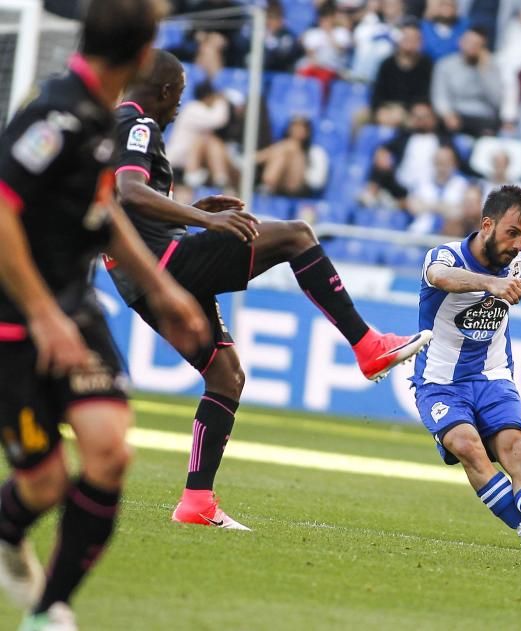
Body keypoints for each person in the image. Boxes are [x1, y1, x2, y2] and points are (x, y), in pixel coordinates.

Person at [107, 50, 432, 530]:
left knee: (225, 376)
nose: (179, 108)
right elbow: (128, 191)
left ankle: (197, 501)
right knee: (296, 234)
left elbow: (125, 203)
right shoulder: (139, 125)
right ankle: (367, 345)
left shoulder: (112, 126)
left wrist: (194, 207)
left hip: (139, 278)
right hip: (164, 265)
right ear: (167, 91)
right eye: (179, 95)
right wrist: (205, 219)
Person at [0, 1, 211, 628]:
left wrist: (164, 289)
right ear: (144, 55)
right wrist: (41, 314)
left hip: (73, 307)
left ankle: (48, 611)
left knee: (109, 452)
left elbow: (104, 211)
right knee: (40, 486)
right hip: (16, 320)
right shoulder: (54, 115)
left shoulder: (102, 118)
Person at [412, 185, 521, 553]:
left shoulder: (515, 262)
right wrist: (491, 284)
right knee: (467, 445)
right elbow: (442, 278)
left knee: (515, 448)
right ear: (486, 225)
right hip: (441, 381)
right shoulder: (443, 255)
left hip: (493, 375)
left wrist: (500, 282)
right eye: (513, 233)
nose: (519, 245)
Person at [430, 27, 503, 137]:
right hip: (455, 114)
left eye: (477, 44)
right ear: (460, 42)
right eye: (469, 42)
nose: (472, 47)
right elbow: (440, 96)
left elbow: (497, 100)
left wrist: (484, 72)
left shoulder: (492, 66)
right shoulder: (445, 65)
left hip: (483, 117)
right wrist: (447, 114)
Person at [255, 116, 329, 196]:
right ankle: (267, 185)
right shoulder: (282, 148)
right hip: (280, 183)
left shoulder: (315, 151)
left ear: (307, 131)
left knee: (290, 146)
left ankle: (265, 180)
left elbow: (316, 181)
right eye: (294, 126)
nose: (296, 130)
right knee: (282, 155)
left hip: (300, 186)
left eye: (300, 127)